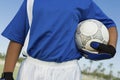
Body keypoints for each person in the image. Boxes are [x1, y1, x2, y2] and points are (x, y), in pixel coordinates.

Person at [0, 0, 118, 80]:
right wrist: (7, 74)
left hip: (68, 71)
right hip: (31, 69)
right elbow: (17, 37)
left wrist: (111, 46)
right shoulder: (31, 1)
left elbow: (110, 25)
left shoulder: (83, 1)